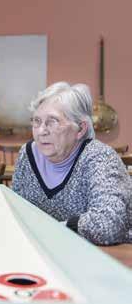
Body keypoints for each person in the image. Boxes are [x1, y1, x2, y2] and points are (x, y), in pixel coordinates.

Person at [12, 82, 132, 245]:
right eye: (37, 121)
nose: (41, 131)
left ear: (80, 129)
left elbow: (108, 224)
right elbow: (16, 212)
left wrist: (59, 228)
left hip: (111, 255)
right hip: (51, 250)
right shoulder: (27, 155)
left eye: (52, 122)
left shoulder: (99, 157)